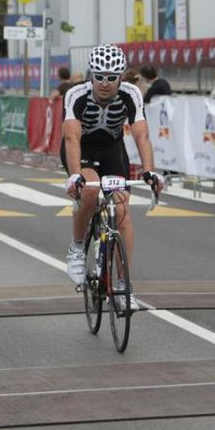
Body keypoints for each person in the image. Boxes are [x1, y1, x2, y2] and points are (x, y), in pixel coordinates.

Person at [62, 44, 165, 309]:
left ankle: (123, 286)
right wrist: (75, 176)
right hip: (82, 150)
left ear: (121, 77)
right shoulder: (76, 94)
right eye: (99, 77)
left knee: (122, 212)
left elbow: (142, 135)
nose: (104, 83)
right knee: (89, 190)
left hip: (111, 150)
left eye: (111, 77)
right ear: (91, 75)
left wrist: (150, 171)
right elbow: (71, 137)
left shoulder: (131, 93)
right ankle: (77, 247)